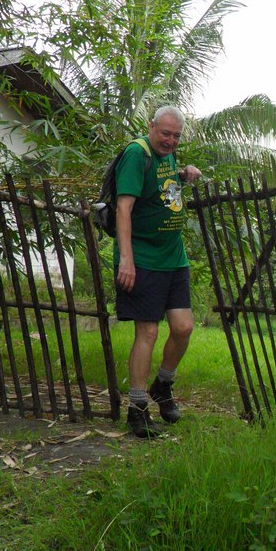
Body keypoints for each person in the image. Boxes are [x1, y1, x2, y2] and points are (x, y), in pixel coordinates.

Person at [114, 105, 202, 438]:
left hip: (173, 258)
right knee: (148, 332)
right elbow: (124, 208)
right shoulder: (137, 154)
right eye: (165, 133)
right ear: (151, 126)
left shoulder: (166, 156)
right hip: (144, 258)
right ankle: (137, 409)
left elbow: (161, 189)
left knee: (183, 327)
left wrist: (184, 173)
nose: (170, 141)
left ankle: (162, 385)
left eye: (176, 136)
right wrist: (127, 260)